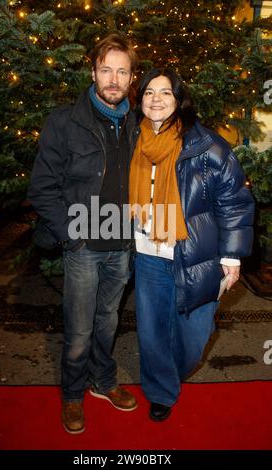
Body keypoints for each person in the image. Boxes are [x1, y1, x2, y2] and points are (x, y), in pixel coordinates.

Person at [28, 33, 140, 434]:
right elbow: (41, 188)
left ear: (131, 77)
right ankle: (73, 393)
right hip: (83, 246)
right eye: (106, 69)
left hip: (121, 245)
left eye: (122, 71)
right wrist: (72, 237)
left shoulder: (139, 122)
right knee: (79, 328)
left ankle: (102, 380)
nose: (113, 78)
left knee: (108, 321)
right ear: (93, 71)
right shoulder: (65, 121)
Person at [129, 68, 255, 422]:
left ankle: (175, 370)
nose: (156, 99)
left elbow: (235, 201)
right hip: (148, 254)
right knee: (152, 330)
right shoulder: (133, 141)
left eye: (165, 92)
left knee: (194, 335)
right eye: (149, 92)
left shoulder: (207, 146)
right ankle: (161, 390)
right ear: (140, 100)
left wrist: (232, 255)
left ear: (179, 99)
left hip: (198, 256)